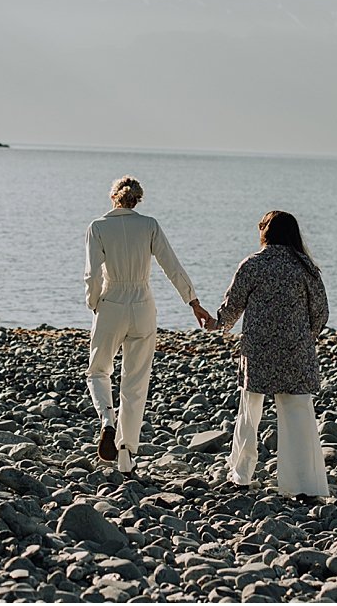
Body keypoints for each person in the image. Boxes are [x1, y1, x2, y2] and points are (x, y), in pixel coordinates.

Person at [86, 175, 214, 471]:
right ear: (138, 200)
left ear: (113, 197)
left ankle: (107, 420)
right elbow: (172, 265)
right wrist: (193, 302)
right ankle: (126, 453)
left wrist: (94, 303)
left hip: (112, 302)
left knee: (98, 370)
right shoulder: (149, 225)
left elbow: (91, 274)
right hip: (143, 305)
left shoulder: (98, 227)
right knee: (135, 381)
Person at [211, 210, 330, 499]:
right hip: (295, 350)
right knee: (297, 413)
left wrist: (217, 323)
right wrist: (304, 337)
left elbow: (232, 307)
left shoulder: (253, 264)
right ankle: (303, 485)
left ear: (266, 232)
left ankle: (241, 474)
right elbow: (321, 312)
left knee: (249, 411)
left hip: (258, 350)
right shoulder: (305, 268)